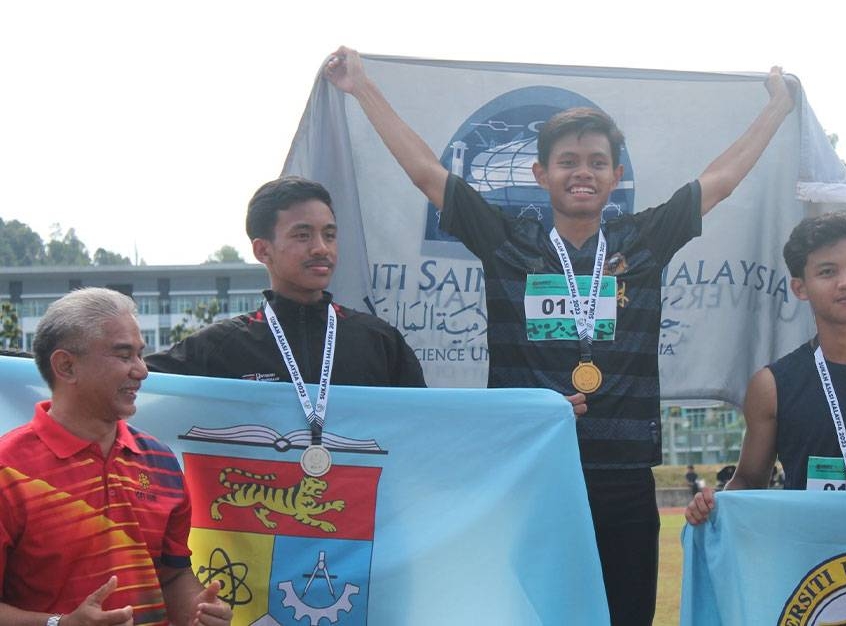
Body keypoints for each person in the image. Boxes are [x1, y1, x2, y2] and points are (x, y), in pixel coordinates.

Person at [326, 46, 795, 625]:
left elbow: (720, 180)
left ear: (616, 175)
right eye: (568, 161)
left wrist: (778, 108)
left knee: (626, 617)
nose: (583, 172)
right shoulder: (506, 240)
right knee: (532, 616)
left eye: (597, 162)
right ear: (540, 173)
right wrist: (362, 87)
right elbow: (427, 171)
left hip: (624, 479)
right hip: (533, 473)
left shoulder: (642, 241)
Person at [686, 212, 846, 526]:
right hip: (809, 564)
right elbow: (749, 481)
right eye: (827, 271)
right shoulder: (772, 385)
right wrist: (712, 507)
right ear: (800, 287)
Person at [0, 287, 232, 626]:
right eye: (124, 356)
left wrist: (202, 612)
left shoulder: (161, 462)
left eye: (140, 354)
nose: (142, 371)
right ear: (66, 366)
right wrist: (59, 624)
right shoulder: (8, 470)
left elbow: (171, 575)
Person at [146, 177, 426, 389]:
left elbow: (426, 427)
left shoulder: (379, 341)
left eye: (329, 235)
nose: (321, 248)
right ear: (262, 250)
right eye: (302, 236)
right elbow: (131, 384)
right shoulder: (221, 346)